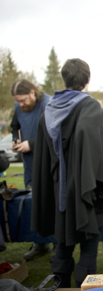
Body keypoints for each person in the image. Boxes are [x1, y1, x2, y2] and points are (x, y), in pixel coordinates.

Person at [31, 58, 103, 287]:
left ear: (65, 80)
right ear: (87, 80)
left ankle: (61, 285)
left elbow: (44, 158)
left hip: (59, 192)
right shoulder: (89, 106)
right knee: (89, 244)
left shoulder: (49, 110)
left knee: (63, 243)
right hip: (86, 190)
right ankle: (84, 285)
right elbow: (92, 142)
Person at [10, 79, 53, 261]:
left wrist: (32, 144)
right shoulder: (18, 107)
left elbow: (55, 134)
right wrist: (15, 140)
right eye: (18, 101)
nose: (20, 104)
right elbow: (14, 126)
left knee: (51, 205)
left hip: (48, 164)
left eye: (23, 100)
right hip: (29, 164)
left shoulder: (49, 104)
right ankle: (41, 244)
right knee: (35, 205)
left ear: (33, 93)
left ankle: (58, 245)